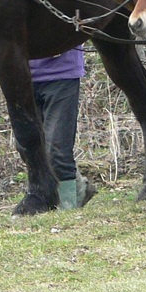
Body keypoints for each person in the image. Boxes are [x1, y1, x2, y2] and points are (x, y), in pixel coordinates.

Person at [29, 45, 96, 210]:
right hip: (23, 76)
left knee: (58, 147)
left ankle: (68, 206)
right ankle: (79, 187)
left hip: (61, 76)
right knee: (28, 146)